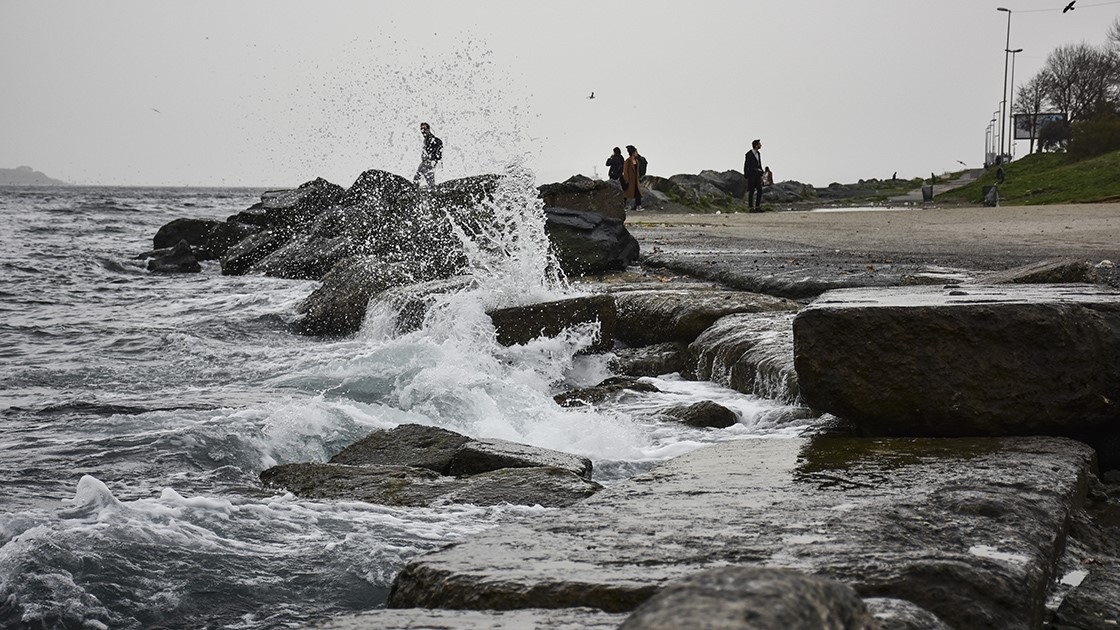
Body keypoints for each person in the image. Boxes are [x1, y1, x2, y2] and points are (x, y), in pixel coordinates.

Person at [413, 122, 443, 187]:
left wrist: (433, 162)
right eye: (421, 129)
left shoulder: (434, 140)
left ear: (429, 129)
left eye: (424, 129)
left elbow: (438, 156)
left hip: (428, 164)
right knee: (418, 181)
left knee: (428, 184)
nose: (423, 131)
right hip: (426, 164)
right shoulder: (426, 140)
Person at [744, 139, 765, 211]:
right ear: (756, 145)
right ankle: (750, 207)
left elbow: (759, 164)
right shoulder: (748, 154)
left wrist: (761, 173)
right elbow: (746, 165)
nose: (761, 145)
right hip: (751, 175)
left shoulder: (758, 154)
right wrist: (746, 175)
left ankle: (757, 206)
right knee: (751, 190)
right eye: (759, 144)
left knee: (760, 190)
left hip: (758, 175)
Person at [622, 145, 644, 211]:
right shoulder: (627, 161)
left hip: (636, 180)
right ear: (633, 153)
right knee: (626, 194)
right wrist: (626, 180)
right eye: (636, 152)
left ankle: (638, 206)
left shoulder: (637, 161)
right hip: (630, 180)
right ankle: (623, 206)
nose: (637, 153)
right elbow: (625, 171)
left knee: (638, 193)